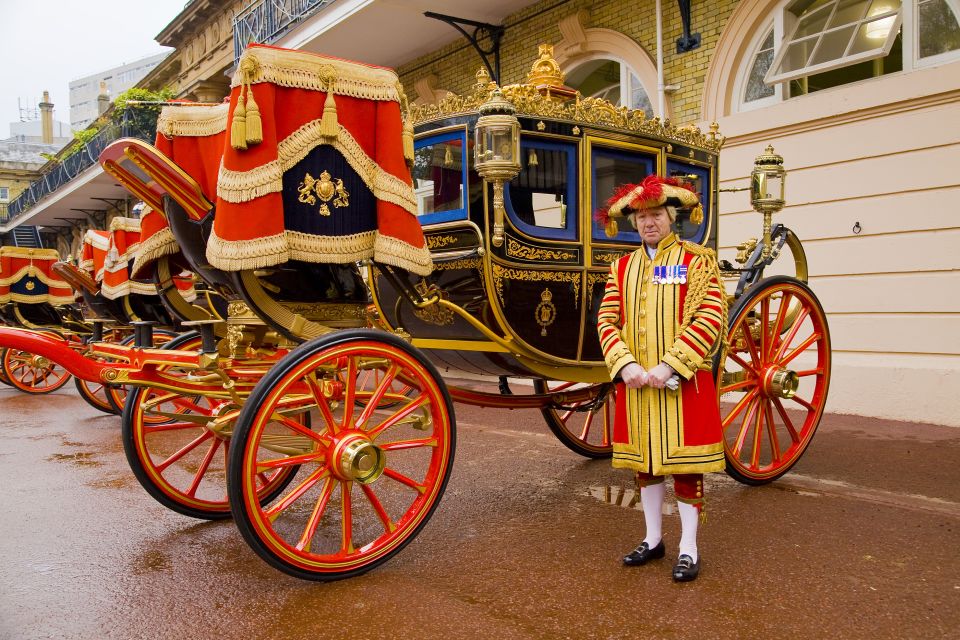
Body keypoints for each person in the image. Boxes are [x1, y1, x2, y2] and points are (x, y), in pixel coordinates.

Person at [595, 174, 727, 582]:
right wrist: (626, 364)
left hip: (681, 382)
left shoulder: (697, 261)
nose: (649, 222)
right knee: (646, 465)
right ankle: (653, 539)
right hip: (637, 384)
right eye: (642, 217)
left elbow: (711, 316)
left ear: (671, 217)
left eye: (656, 214)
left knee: (687, 468)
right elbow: (606, 319)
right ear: (634, 223)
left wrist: (670, 364)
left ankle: (688, 546)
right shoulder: (621, 268)